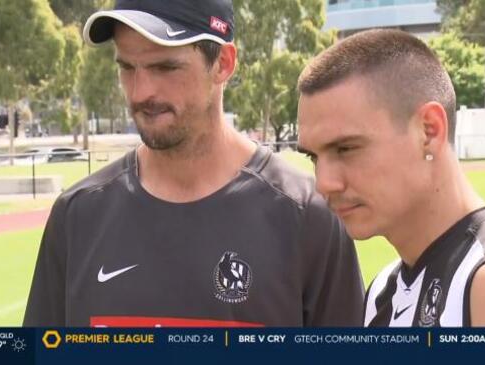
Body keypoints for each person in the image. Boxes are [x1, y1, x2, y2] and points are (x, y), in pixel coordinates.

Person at [23, 0, 364, 327]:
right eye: (127, 67)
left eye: (165, 67)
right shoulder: (77, 216)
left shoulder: (308, 216)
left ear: (224, 64)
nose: (141, 93)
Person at [296, 29, 485, 327]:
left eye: (346, 148)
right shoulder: (381, 295)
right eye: (314, 157)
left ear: (429, 131)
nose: (324, 183)